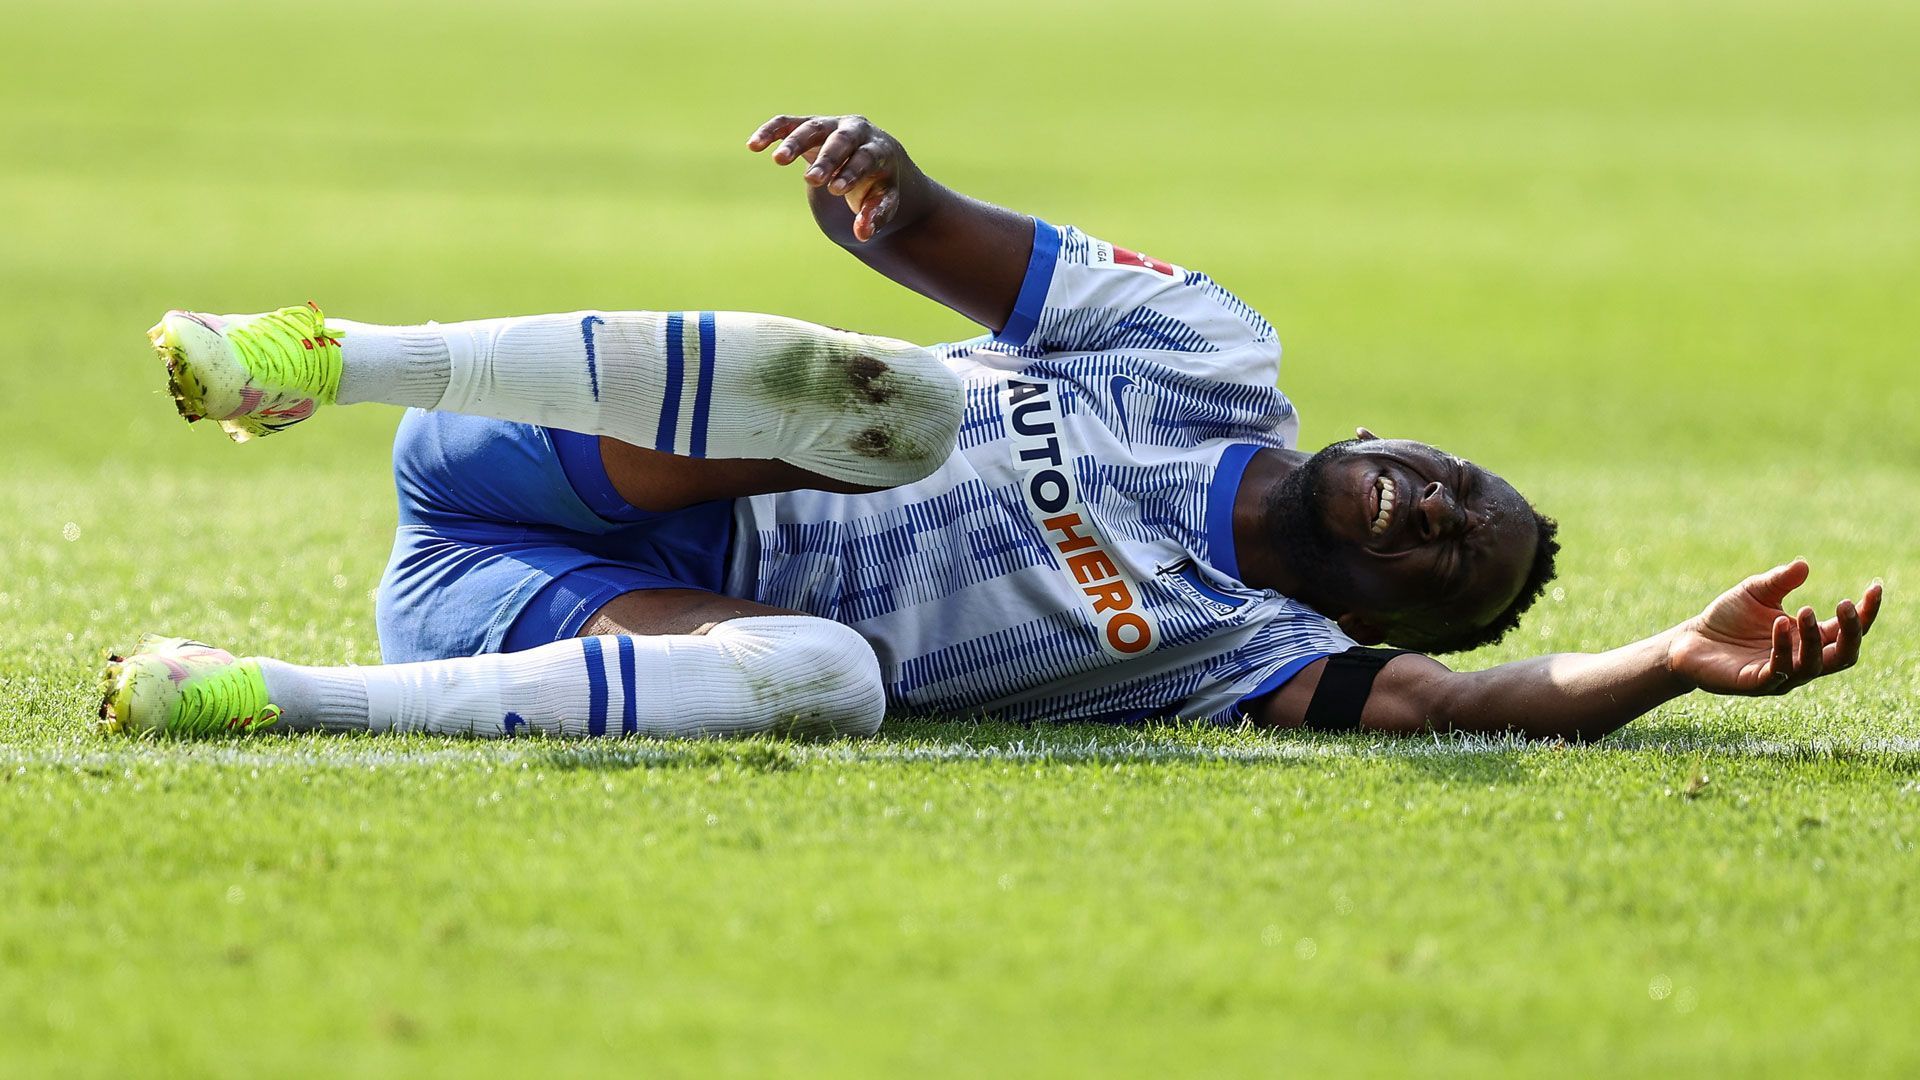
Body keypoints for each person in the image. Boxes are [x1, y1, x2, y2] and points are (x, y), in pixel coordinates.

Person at [100, 114, 1881, 742]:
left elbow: (1466, 705)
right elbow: (937, 238)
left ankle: (263, 692)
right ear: (1416, 434)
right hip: (555, 446)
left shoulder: (1233, 651)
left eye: (1450, 562)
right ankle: (325, 357)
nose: (1432, 513)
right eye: (1461, 487)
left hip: (543, 626)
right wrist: (886, 184)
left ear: (1379, 622)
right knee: (911, 410)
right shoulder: (1209, 353)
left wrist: (1662, 656)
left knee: (836, 686)